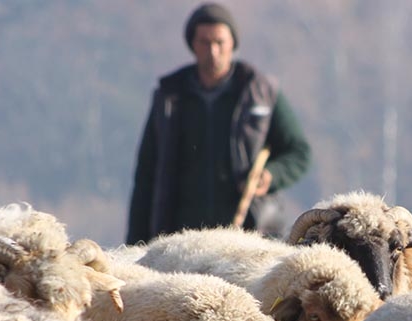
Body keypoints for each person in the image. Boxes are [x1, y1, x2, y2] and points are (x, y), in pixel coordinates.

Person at [125, 3, 312, 245]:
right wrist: (135, 244)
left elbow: (299, 152)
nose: (213, 51)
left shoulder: (260, 92)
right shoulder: (170, 97)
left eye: (219, 42)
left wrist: (271, 175)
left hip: (251, 237)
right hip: (180, 241)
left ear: (232, 43)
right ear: (192, 44)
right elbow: (147, 174)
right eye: (204, 42)